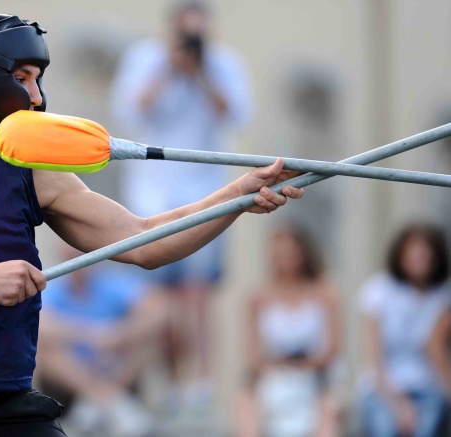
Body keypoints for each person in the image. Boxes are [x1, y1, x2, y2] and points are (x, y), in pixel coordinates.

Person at [0, 13, 303, 436]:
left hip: (7, 405)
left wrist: (236, 196)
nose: (37, 98)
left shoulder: (34, 173)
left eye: (38, 80)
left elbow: (143, 240)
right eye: (22, 78)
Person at [110, 0, 253, 402]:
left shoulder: (223, 65)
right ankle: (173, 386)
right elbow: (130, 111)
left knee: (199, 294)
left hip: (205, 193)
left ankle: (202, 384)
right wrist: (168, 69)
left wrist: (202, 74)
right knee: (162, 299)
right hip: (152, 197)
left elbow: (236, 116)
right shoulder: (145, 59)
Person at [37, 248, 167, 436]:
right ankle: (109, 401)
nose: (77, 266)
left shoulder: (112, 282)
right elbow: (38, 322)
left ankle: (99, 403)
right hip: (70, 374)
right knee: (46, 349)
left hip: (114, 366)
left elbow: (158, 310)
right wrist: (87, 334)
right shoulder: (53, 285)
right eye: (71, 259)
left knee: (148, 340)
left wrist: (120, 335)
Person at [235, 227, 341, 437]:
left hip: (315, 375)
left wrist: (303, 366)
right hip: (274, 374)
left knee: (329, 407)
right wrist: (277, 368)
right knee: (245, 401)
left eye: (289, 253)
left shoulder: (326, 292)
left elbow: (332, 348)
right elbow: (254, 355)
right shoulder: (258, 297)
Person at [359, 224, 451, 437]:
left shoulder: (443, 295)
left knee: (425, 428)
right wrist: (398, 404)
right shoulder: (379, 291)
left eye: (426, 255)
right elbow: (374, 359)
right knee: (385, 428)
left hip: (428, 387)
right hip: (384, 388)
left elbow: (435, 350)